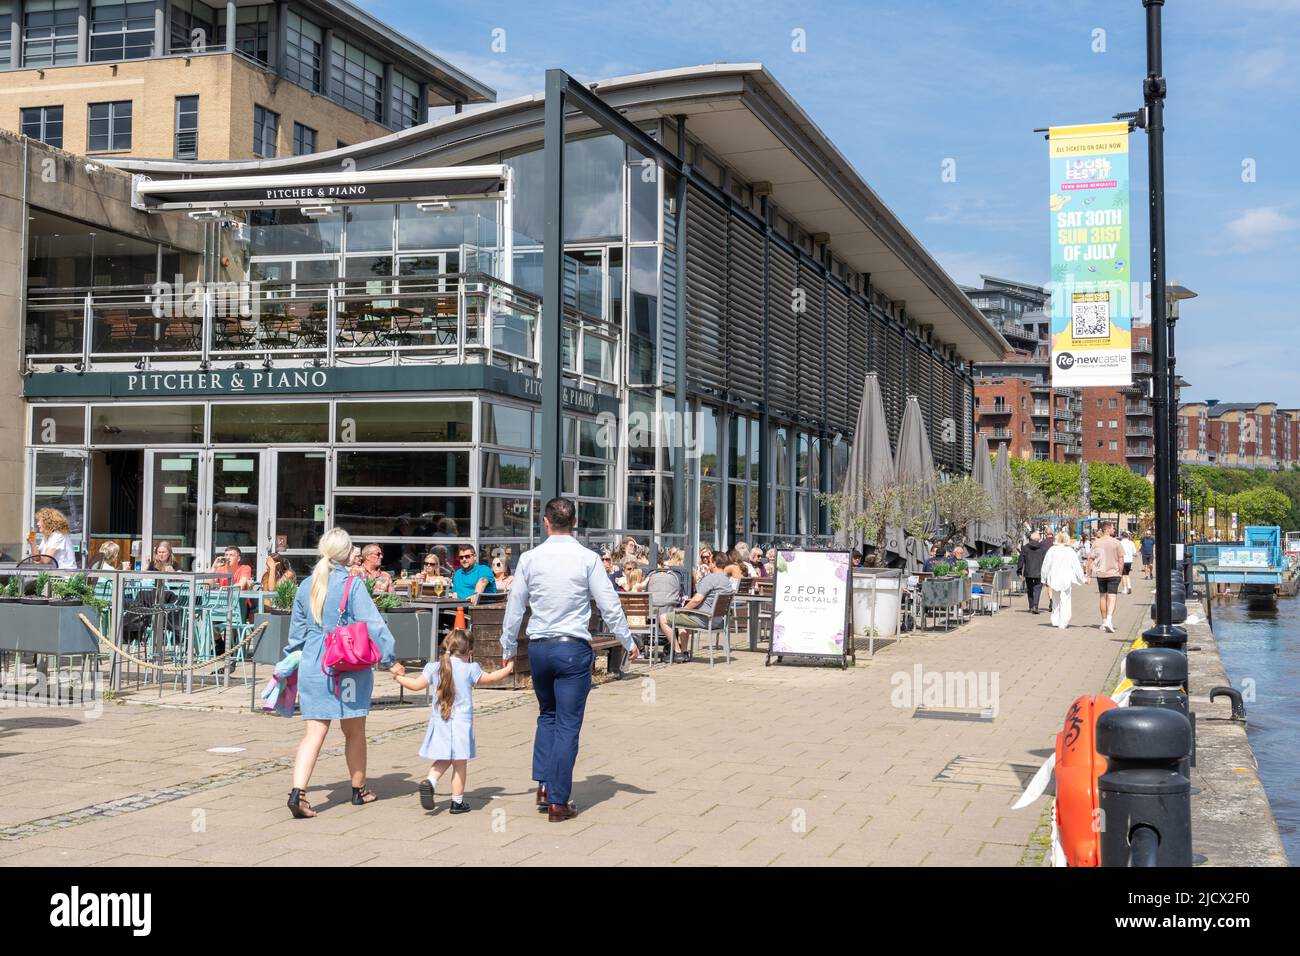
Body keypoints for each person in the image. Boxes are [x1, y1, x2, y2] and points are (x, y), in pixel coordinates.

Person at [500, 498, 641, 822]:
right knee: (567, 724)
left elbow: (515, 607)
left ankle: (544, 785)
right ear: (573, 522)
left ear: (546, 522)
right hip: (573, 648)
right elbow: (609, 605)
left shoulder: (530, 559)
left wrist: (508, 645)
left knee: (547, 714)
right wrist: (627, 640)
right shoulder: (587, 559)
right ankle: (558, 802)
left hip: (539, 648)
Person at [285, 528, 402, 818]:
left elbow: (296, 635)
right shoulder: (353, 585)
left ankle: (297, 793)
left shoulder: (306, 585)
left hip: (314, 663)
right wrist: (390, 659)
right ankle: (358, 790)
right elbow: (373, 624)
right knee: (354, 731)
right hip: (347, 665)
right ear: (347, 553)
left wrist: (289, 664)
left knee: (313, 733)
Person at [392, 629, 515, 813]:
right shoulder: (470, 669)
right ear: (470, 651)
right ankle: (457, 802)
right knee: (459, 763)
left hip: (440, 720)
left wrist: (398, 677)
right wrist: (508, 668)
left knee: (443, 758)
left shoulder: (434, 667)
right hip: (461, 724)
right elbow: (490, 679)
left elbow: (416, 685)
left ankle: (430, 781)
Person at [658, 550, 733, 661]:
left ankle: (677, 652)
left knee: (663, 618)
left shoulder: (711, 578)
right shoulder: (727, 581)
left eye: (710, 561)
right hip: (718, 620)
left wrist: (682, 609)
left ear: (713, 564)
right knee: (683, 617)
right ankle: (684, 652)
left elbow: (696, 600)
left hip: (705, 619)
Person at [1040, 530, 1087, 630]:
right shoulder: (1070, 551)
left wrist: (1043, 578)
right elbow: (1076, 566)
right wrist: (1083, 578)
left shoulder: (1052, 550)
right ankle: (1063, 621)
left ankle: (1055, 619)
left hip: (1054, 578)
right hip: (1066, 578)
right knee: (1065, 599)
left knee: (1056, 599)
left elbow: (1046, 565)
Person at [1088, 522, 1126, 634]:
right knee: (1112, 597)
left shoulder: (1096, 543)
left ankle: (1104, 622)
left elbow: (1090, 559)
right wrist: (1120, 572)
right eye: (1113, 528)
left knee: (1102, 597)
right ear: (1108, 529)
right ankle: (1109, 620)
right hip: (1113, 573)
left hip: (1101, 574)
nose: (1114, 530)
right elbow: (1121, 559)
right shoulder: (1116, 543)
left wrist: (1089, 575)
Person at [1017, 530, 1050, 615]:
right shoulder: (1043, 548)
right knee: (1037, 589)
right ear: (1039, 539)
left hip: (1028, 572)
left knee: (1030, 589)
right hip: (1039, 572)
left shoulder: (1025, 548)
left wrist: (1019, 571)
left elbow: (1021, 560)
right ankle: (1035, 606)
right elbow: (1045, 562)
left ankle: (1031, 606)